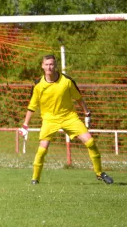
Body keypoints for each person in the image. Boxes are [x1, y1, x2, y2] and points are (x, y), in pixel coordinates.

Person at [19, 54, 113, 185]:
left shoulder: (67, 81)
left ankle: (99, 173)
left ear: (56, 66)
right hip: (49, 120)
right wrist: (25, 125)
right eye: (46, 64)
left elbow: (78, 98)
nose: (49, 67)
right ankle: (35, 179)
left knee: (90, 142)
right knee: (42, 150)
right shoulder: (38, 84)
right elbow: (32, 106)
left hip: (69, 117)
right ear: (42, 66)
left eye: (51, 64)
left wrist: (87, 112)